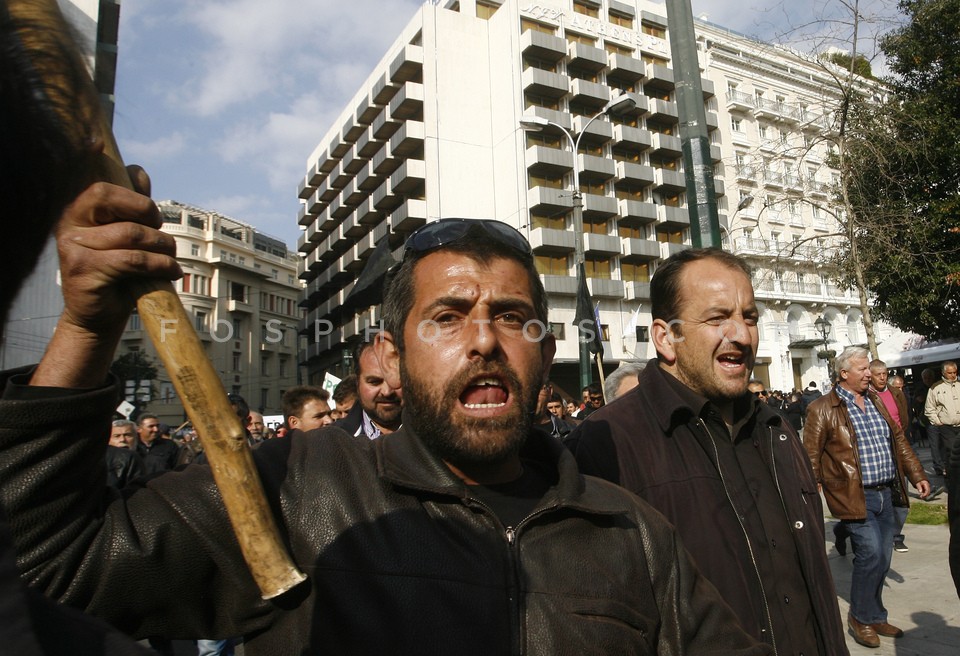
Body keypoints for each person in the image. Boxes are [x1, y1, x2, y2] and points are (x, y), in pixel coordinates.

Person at [0, 207, 768, 654]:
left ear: (547, 349)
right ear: (393, 357)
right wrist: (85, 327)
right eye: (446, 317)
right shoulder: (294, 492)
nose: (483, 340)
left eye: (510, 316)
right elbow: (52, 562)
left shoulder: (629, 533)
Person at [567, 247, 847, 654]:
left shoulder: (777, 430)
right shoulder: (606, 441)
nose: (740, 334)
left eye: (748, 317)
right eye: (717, 318)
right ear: (666, 337)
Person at [804, 347, 930, 648]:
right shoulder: (822, 408)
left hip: (888, 491)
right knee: (871, 553)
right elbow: (810, 454)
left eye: (868, 369)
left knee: (883, 558)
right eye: (862, 369)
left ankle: (874, 614)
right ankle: (859, 618)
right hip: (853, 495)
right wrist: (811, 488)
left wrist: (918, 475)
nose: (869, 374)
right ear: (844, 373)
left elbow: (898, 440)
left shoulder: (875, 400)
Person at [334, 341, 402, 439]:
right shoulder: (331, 441)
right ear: (358, 383)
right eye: (374, 382)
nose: (387, 392)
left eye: (395, 380)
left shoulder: (430, 434)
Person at [925, 361, 959, 478]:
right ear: (943, 373)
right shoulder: (935, 388)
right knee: (950, 453)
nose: (953, 375)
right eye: (950, 373)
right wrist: (938, 422)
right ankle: (951, 478)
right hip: (946, 427)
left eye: (955, 372)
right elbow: (929, 408)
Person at [106, 420, 145, 489]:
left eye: (128, 435)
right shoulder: (104, 460)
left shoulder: (150, 456)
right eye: (117, 436)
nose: (122, 439)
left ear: (136, 437)